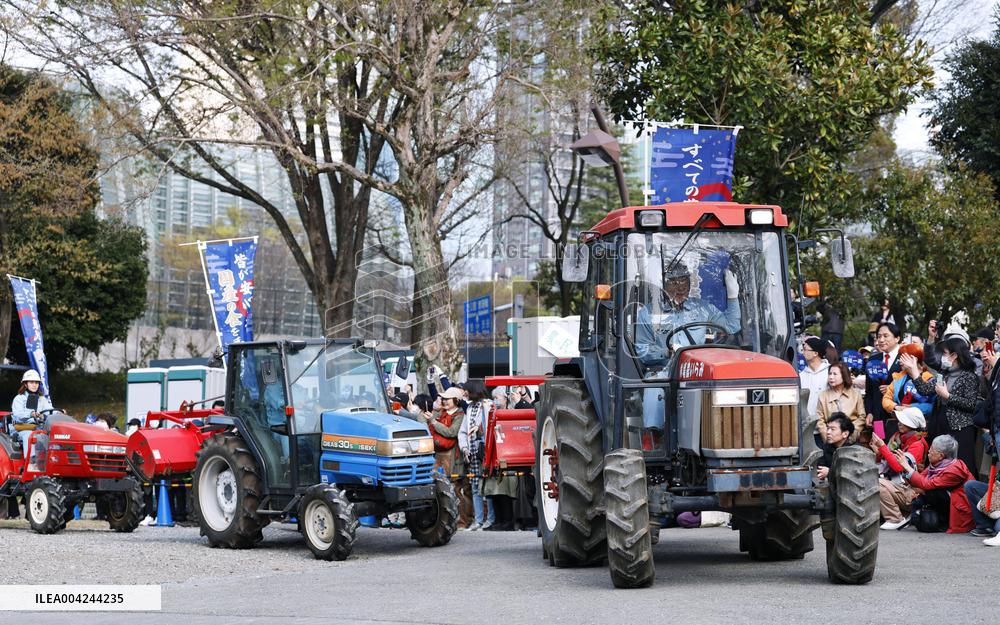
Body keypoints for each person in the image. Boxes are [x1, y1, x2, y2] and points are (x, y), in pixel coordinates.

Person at [904, 336, 979, 472]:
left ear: (954, 355)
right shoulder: (943, 374)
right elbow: (925, 389)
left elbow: (970, 404)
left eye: (944, 353)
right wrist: (914, 371)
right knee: (939, 465)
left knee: (961, 467)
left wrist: (947, 396)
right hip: (939, 424)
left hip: (960, 429)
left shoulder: (969, 377)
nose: (942, 357)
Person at [895, 434, 975, 533]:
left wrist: (907, 467)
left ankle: (943, 522)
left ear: (941, 455)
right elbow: (919, 480)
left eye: (932, 449)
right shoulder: (935, 465)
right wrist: (906, 469)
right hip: (946, 502)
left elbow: (926, 484)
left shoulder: (954, 470)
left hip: (959, 510)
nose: (929, 451)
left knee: (932, 492)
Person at [872, 406, 929, 530]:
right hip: (899, 486)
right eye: (899, 420)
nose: (899, 423)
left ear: (912, 424)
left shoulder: (917, 444)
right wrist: (878, 451)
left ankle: (895, 518)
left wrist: (882, 447)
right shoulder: (899, 439)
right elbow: (883, 463)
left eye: (903, 421)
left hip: (911, 491)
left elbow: (899, 467)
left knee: (877, 483)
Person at [457, 380, 493, 531]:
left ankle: (490, 519)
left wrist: (479, 428)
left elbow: (490, 425)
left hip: (486, 453)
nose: (464, 393)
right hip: (472, 454)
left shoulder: (488, 404)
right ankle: (478, 520)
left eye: (465, 390)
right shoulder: (470, 407)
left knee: (488, 488)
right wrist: (464, 448)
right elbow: (463, 431)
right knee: (475, 487)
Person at [866, 322, 904, 439]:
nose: (881, 340)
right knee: (879, 448)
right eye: (879, 336)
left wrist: (892, 388)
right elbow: (869, 391)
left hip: (898, 416)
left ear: (897, 338)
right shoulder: (873, 360)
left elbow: (912, 387)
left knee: (895, 449)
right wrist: (870, 412)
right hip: (877, 416)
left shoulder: (905, 357)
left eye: (885, 336)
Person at [815, 361, 865, 446]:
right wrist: (827, 435)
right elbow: (819, 419)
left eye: (835, 374)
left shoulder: (856, 394)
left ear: (844, 376)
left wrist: (851, 433)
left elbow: (862, 417)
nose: (831, 377)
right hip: (830, 441)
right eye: (830, 374)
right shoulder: (823, 396)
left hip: (851, 440)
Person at [420, 386, 464, 478]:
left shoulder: (460, 415)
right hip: (437, 452)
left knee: (451, 481)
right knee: (435, 478)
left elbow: (452, 432)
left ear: (456, 400)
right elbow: (424, 419)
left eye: (448, 399)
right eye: (444, 399)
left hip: (452, 453)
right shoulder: (440, 412)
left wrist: (434, 421)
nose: (444, 401)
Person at [884, 343, 936, 420]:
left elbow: (934, 405)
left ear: (915, 359)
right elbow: (886, 399)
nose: (900, 361)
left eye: (904, 358)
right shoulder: (898, 378)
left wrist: (913, 408)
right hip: (901, 422)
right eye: (899, 358)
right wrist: (896, 407)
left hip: (923, 423)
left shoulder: (929, 378)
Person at [10, 370, 51, 451]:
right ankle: (31, 462)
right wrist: (31, 414)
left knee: (54, 435)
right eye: (31, 382)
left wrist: (59, 413)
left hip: (39, 428)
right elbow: (17, 415)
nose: (34, 385)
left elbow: (49, 410)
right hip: (22, 428)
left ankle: (52, 461)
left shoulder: (41, 399)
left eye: (36, 383)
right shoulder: (19, 398)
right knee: (30, 435)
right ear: (25, 384)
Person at [800, 337, 831, 441]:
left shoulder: (830, 373)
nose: (802, 352)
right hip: (805, 429)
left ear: (815, 353)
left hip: (826, 429)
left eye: (805, 349)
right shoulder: (801, 375)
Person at [816, 413, 855, 481]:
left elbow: (853, 475)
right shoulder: (825, 449)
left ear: (845, 434)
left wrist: (830, 473)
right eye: (827, 428)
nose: (828, 432)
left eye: (832, 429)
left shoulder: (854, 451)